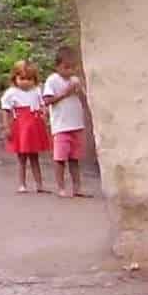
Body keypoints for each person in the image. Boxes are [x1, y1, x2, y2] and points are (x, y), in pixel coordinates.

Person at [41, 46, 90, 198]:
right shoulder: (52, 80)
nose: (69, 71)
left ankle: (77, 188)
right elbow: (47, 100)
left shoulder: (75, 80)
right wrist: (65, 93)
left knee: (75, 158)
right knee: (60, 158)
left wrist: (79, 91)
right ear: (58, 66)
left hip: (76, 124)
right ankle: (61, 187)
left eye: (73, 67)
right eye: (66, 67)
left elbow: (84, 100)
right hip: (61, 126)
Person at [0, 60, 50, 193]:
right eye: (22, 79)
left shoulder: (37, 91)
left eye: (29, 79)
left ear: (34, 79)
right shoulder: (11, 93)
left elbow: (42, 105)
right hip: (20, 126)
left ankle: (39, 184)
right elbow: (6, 110)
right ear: (15, 78)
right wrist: (6, 126)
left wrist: (45, 113)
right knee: (22, 158)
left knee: (35, 157)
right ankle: (22, 184)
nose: (26, 82)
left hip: (34, 125)